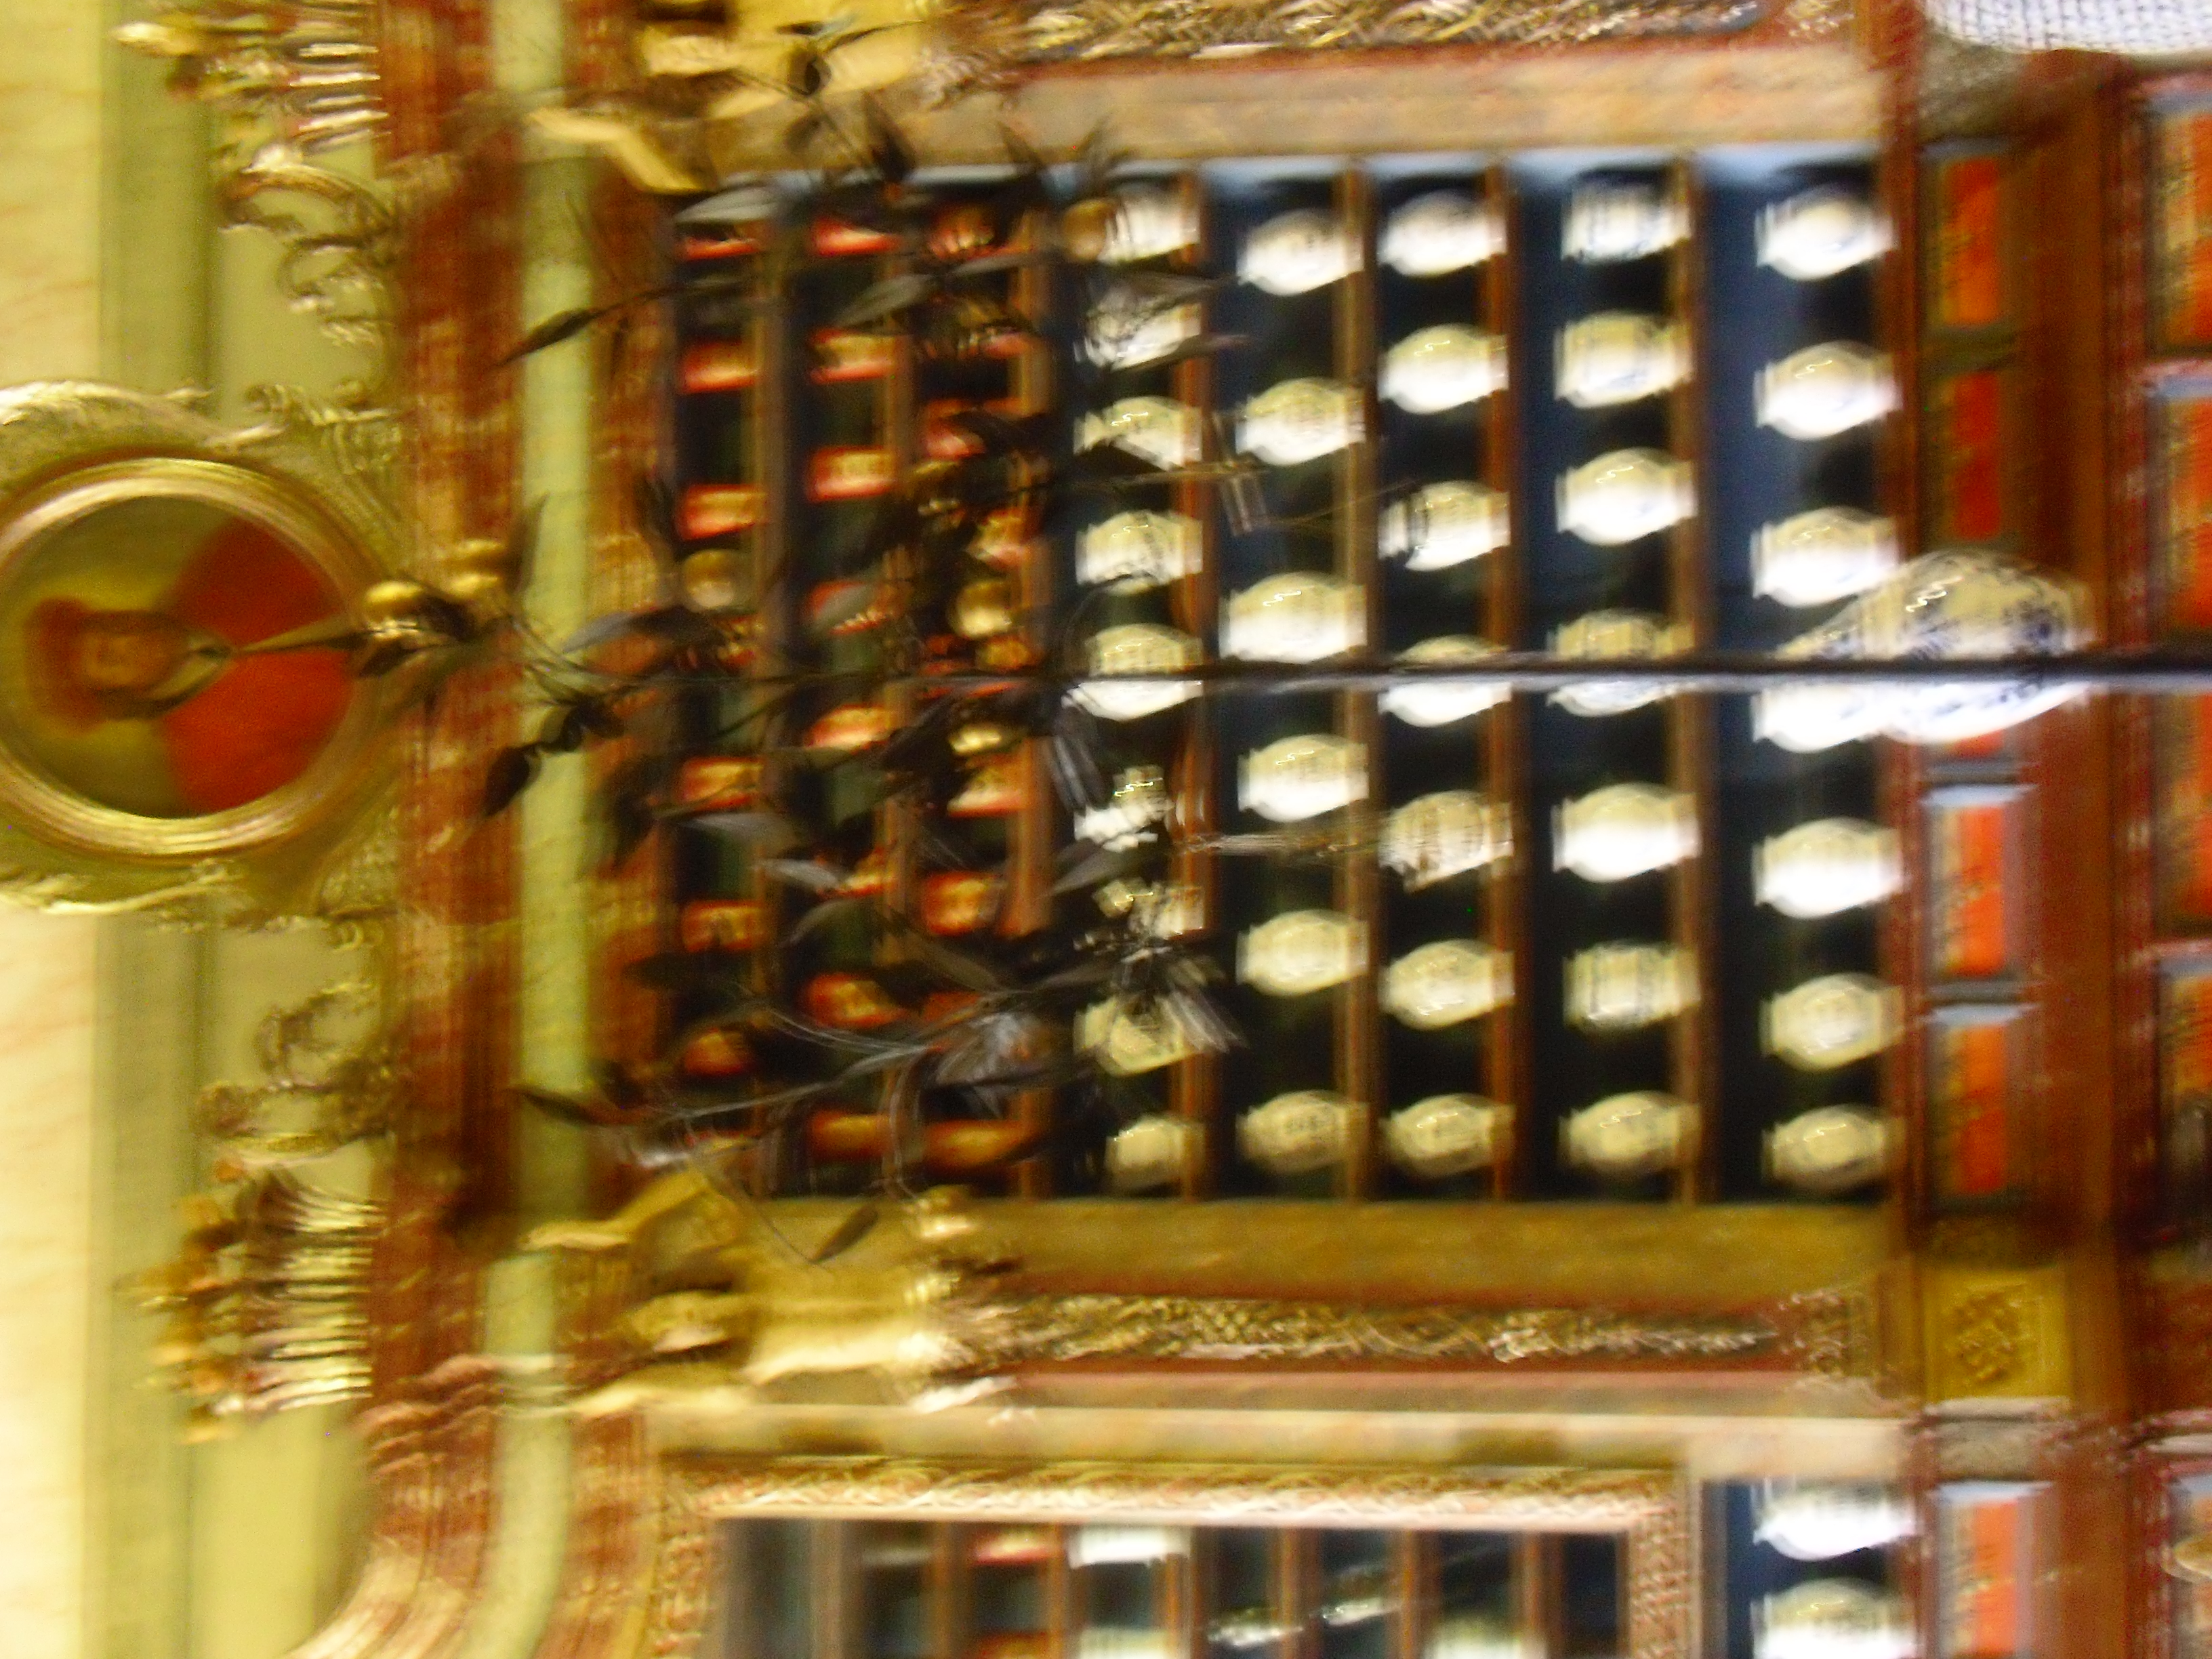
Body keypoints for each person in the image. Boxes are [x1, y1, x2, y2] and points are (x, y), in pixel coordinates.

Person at [26, 516, 352, 815]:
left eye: (112, 624)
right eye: (110, 658)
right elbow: (338, 798)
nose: (129, 638)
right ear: (121, 697)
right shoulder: (211, 770)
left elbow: (339, 541)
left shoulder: (228, 560)